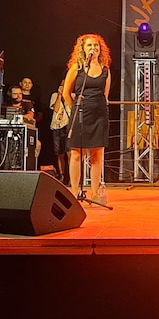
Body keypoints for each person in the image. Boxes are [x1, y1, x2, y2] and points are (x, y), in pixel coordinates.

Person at [63, 34, 111, 204]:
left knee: (97, 155)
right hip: (81, 113)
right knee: (77, 154)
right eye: (90, 45)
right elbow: (66, 93)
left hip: (99, 115)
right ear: (83, 49)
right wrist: (74, 108)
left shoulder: (105, 70)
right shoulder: (77, 68)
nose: (93, 49)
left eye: (96, 46)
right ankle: (75, 192)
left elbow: (105, 95)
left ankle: (96, 193)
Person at [48, 78, 70, 184]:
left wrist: (66, 96)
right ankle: (61, 175)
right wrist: (60, 96)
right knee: (59, 153)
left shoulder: (72, 96)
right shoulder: (54, 95)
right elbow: (56, 109)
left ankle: (70, 176)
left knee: (69, 153)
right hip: (57, 126)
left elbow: (71, 108)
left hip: (68, 126)